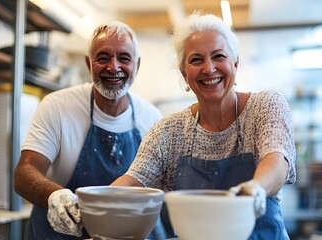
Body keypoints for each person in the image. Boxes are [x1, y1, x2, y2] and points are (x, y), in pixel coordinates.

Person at [112, 11, 296, 239]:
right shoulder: (169, 131)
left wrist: (257, 188)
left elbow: (277, 159)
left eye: (218, 56)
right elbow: (133, 181)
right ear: (184, 73)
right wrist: (88, 202)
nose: (209, 69)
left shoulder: (265, 107)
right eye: (196, 60)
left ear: (235, 63)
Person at [14, 21, 162, 239]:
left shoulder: (151, 118)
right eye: (103, 58)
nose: (114, 67)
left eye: (124, 58)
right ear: (88, 63)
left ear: (137, 65)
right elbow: (24, 173)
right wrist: (54, 195)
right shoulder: (57, 106)